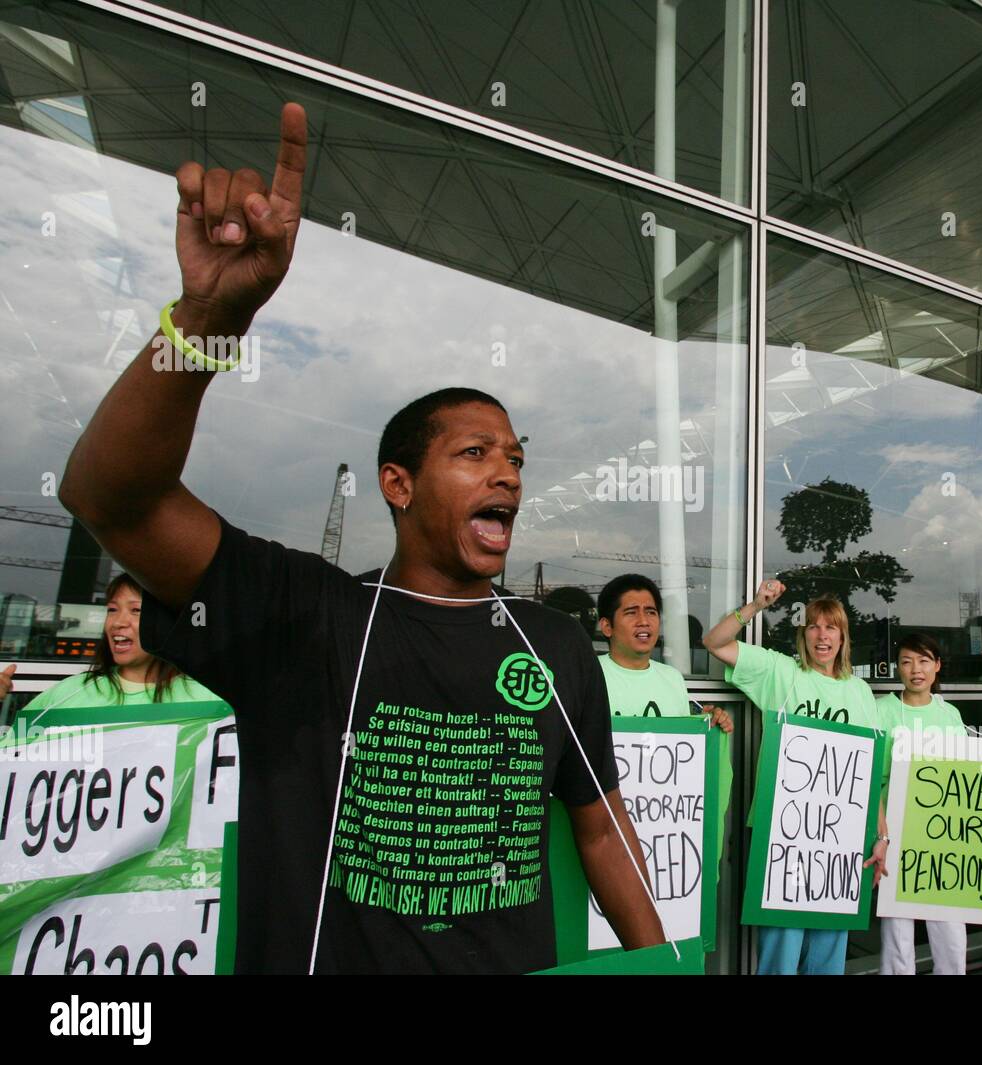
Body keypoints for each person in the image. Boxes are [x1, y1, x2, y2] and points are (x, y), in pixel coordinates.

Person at [55, 102, 663, 974]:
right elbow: (108, 497)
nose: (509, 474)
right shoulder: (303, 614)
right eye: (476, 453)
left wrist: (664, 966)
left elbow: (601, 828)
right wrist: (204, 320)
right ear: (398, 484)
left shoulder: (558, 647)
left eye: (517, 459)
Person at [702, 579, 887, 974]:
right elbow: (714, 643)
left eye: (831, 627)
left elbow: (867, 774)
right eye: (814, 627)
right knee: (780, 954)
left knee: (828, 956)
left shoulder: (860, 693)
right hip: (783, 837)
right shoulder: (781, 672)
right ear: (803, 635)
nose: (823, 636)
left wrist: (881, 835)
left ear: (843, 637)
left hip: (842, 839)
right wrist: (755, 606)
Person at [875, 632, 970, 975]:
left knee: (950, 935)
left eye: (924, 660)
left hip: (942, 836)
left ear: (937, 666)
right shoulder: (881, 710)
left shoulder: (950, 715)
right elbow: (870, 775)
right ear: (897, 668)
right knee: (897, 935)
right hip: (894, 833)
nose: (916, 669)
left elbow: (967, 780)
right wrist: (880, 832)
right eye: (907, 661)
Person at [17, 573, 220, 722]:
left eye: (136, 610)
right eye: (112, 610)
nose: (117, 622)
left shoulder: (212, 699)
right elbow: (13, 756)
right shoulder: (66, 695)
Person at [596, 573, 731, 732]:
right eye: (631, 612)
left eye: (650, 612)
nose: (644, 621)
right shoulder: (588, 675)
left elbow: (681, 741)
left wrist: (706, 723)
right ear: (607, 627)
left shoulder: (672, 678)